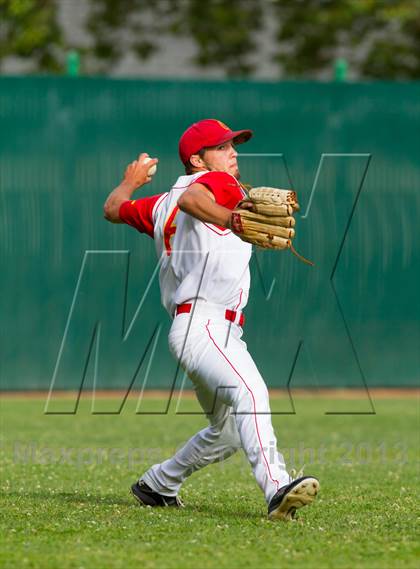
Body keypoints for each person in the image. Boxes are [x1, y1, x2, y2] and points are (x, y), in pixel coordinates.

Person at [103, 118, 319, 520]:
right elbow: (193, 201)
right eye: (223, 147)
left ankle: (158, 483)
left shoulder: (160, 202)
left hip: (198, 330)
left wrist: (130, 181)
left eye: (234, 145)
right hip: (205, 325)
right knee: (252, 393)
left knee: (227, 433)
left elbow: (113, 209)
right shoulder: (218, 184)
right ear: (198, 159)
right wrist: (232, 218)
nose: (233, 153)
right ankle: (277, 489)